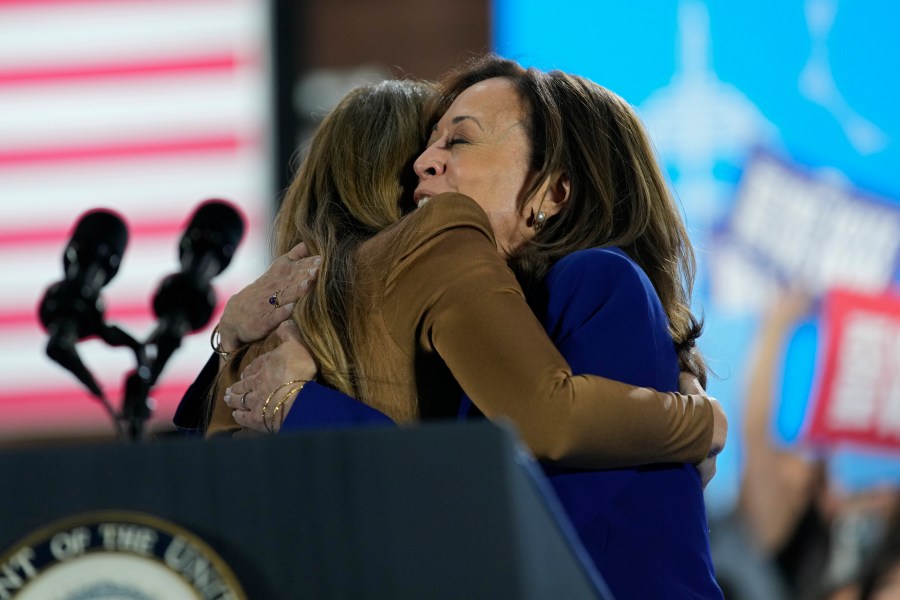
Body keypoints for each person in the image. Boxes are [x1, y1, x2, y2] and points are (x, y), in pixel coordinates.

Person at [202, 55, 724, 597]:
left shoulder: (598, 278)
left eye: (460, 141)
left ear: (554, 192)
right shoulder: (497, 324)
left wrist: (302, 405)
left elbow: (514, 523)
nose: (424, 163)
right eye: (429, 143)